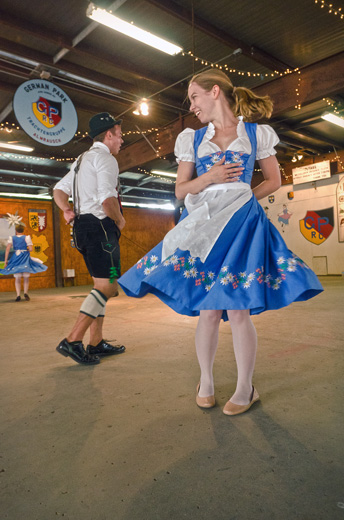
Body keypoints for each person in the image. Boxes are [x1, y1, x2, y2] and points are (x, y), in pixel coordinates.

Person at [118, 70, 323, 415]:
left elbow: (274, 180)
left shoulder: (256, 133)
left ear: (214, 92)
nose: (192, 105)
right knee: (210, 310)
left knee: (238, 307)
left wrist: (244, 200)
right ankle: (207, 381)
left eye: (194, 96)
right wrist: (210, 178)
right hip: (205, 224)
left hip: (243, 224)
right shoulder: (193, 139)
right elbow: (181, 191)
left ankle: (246, 388)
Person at [53, 112, 126, 366]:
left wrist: (67, 210)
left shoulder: (82, 159)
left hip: (83, 228)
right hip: (101, 228)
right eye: (119, 135)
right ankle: (73, 340)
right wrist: (119, 220)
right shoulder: (105, 159)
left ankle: (96, 342)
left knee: (101, 285)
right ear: (109, 134)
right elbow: (107, 200)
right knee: (109, 287)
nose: (121, 140)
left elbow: (58, 190)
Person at [0, 223, 48, 301]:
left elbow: (7, 249)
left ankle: (18, 295)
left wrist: (5, 261)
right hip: (25, 258)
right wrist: (26, 249)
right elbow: (31, 249)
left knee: (17, 277)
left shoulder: (12, 238)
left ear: (16, 231)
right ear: (23, 230)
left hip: (16, 257)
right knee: (26, 277)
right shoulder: (27, 237)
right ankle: (26, 293)